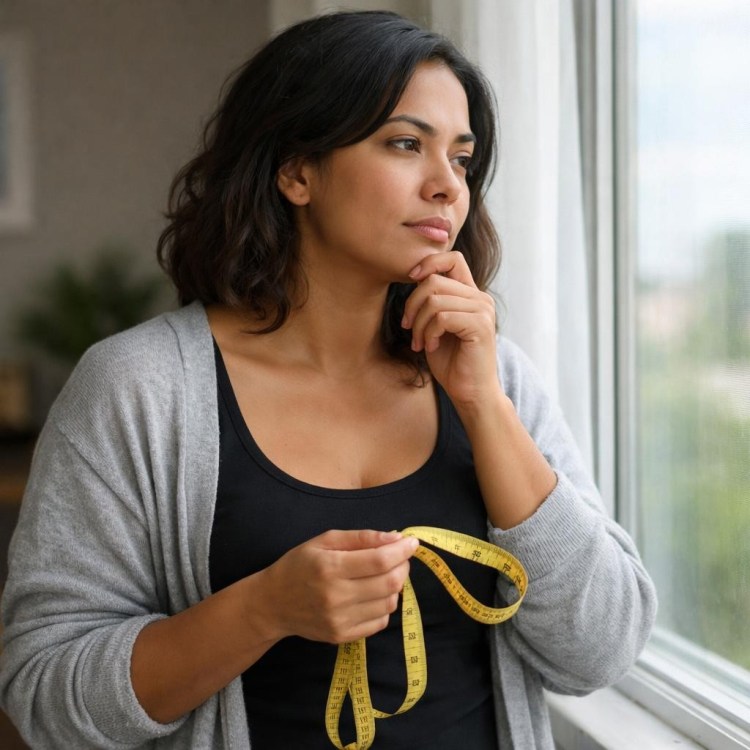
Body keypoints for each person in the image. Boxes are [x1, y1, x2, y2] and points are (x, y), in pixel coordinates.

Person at [0, 10, 656, 750]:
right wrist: (263, 610)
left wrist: (484, 405)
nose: (448, 186)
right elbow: (42, 696)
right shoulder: (138, 390)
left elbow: (601, 650)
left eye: (463, 159)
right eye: (406, 144)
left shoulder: (493, 374)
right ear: (296, 169)